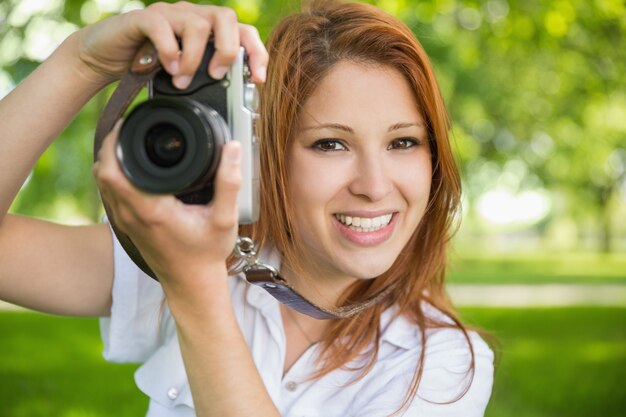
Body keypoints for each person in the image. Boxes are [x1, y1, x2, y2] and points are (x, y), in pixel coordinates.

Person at [0, 1, 494, 416]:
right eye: (330, 145)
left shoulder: (446, 365)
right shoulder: (186, 248)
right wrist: (81, 62)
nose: (373, 185)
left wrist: (194, 290)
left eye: (403, 142)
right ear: (268, 156)